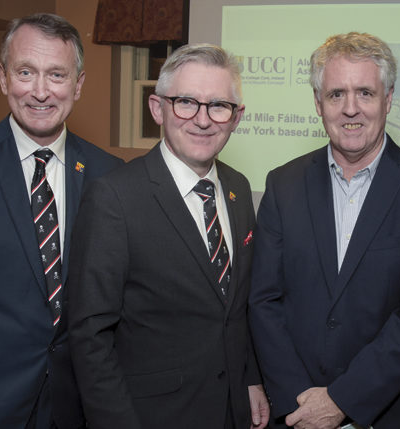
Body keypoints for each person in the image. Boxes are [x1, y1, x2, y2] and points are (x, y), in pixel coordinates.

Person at [249, 32, 400, 429]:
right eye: (335, 95)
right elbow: (264, 300)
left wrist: (343, 400)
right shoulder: (283, 184)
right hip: (294, 408)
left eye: (365, 93)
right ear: (317, 103)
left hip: (388, 411)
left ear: (388, 99)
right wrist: (300, 402)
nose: (350, 109)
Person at [67, 43, 269, 429]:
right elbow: (90, 337)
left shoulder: (238, 188)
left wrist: (250, 377)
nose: (203, 119)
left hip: (232, 413)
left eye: (218, 106)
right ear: (157, 108)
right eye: (186, 102)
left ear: (236, 117)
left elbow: (235, 309)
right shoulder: (114, 197)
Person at [0, 13, 122, 429]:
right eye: (25, 72)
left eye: (56, 74)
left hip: (82, 404)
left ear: (78, 84)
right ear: (2, 77)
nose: (40, 91)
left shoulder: (112, 177)